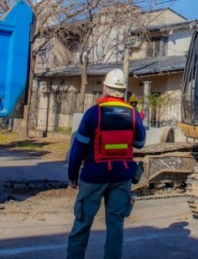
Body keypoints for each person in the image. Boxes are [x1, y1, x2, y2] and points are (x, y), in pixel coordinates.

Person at [67, 68, 146, 259]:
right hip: (121, 178)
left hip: (94, 177)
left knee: (82, 224)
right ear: (123, 91)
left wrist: (73, 175)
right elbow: (140, 143)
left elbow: (78, 148)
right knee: (115, 227)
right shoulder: (133, 114)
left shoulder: (93, 113)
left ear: (104, 88)